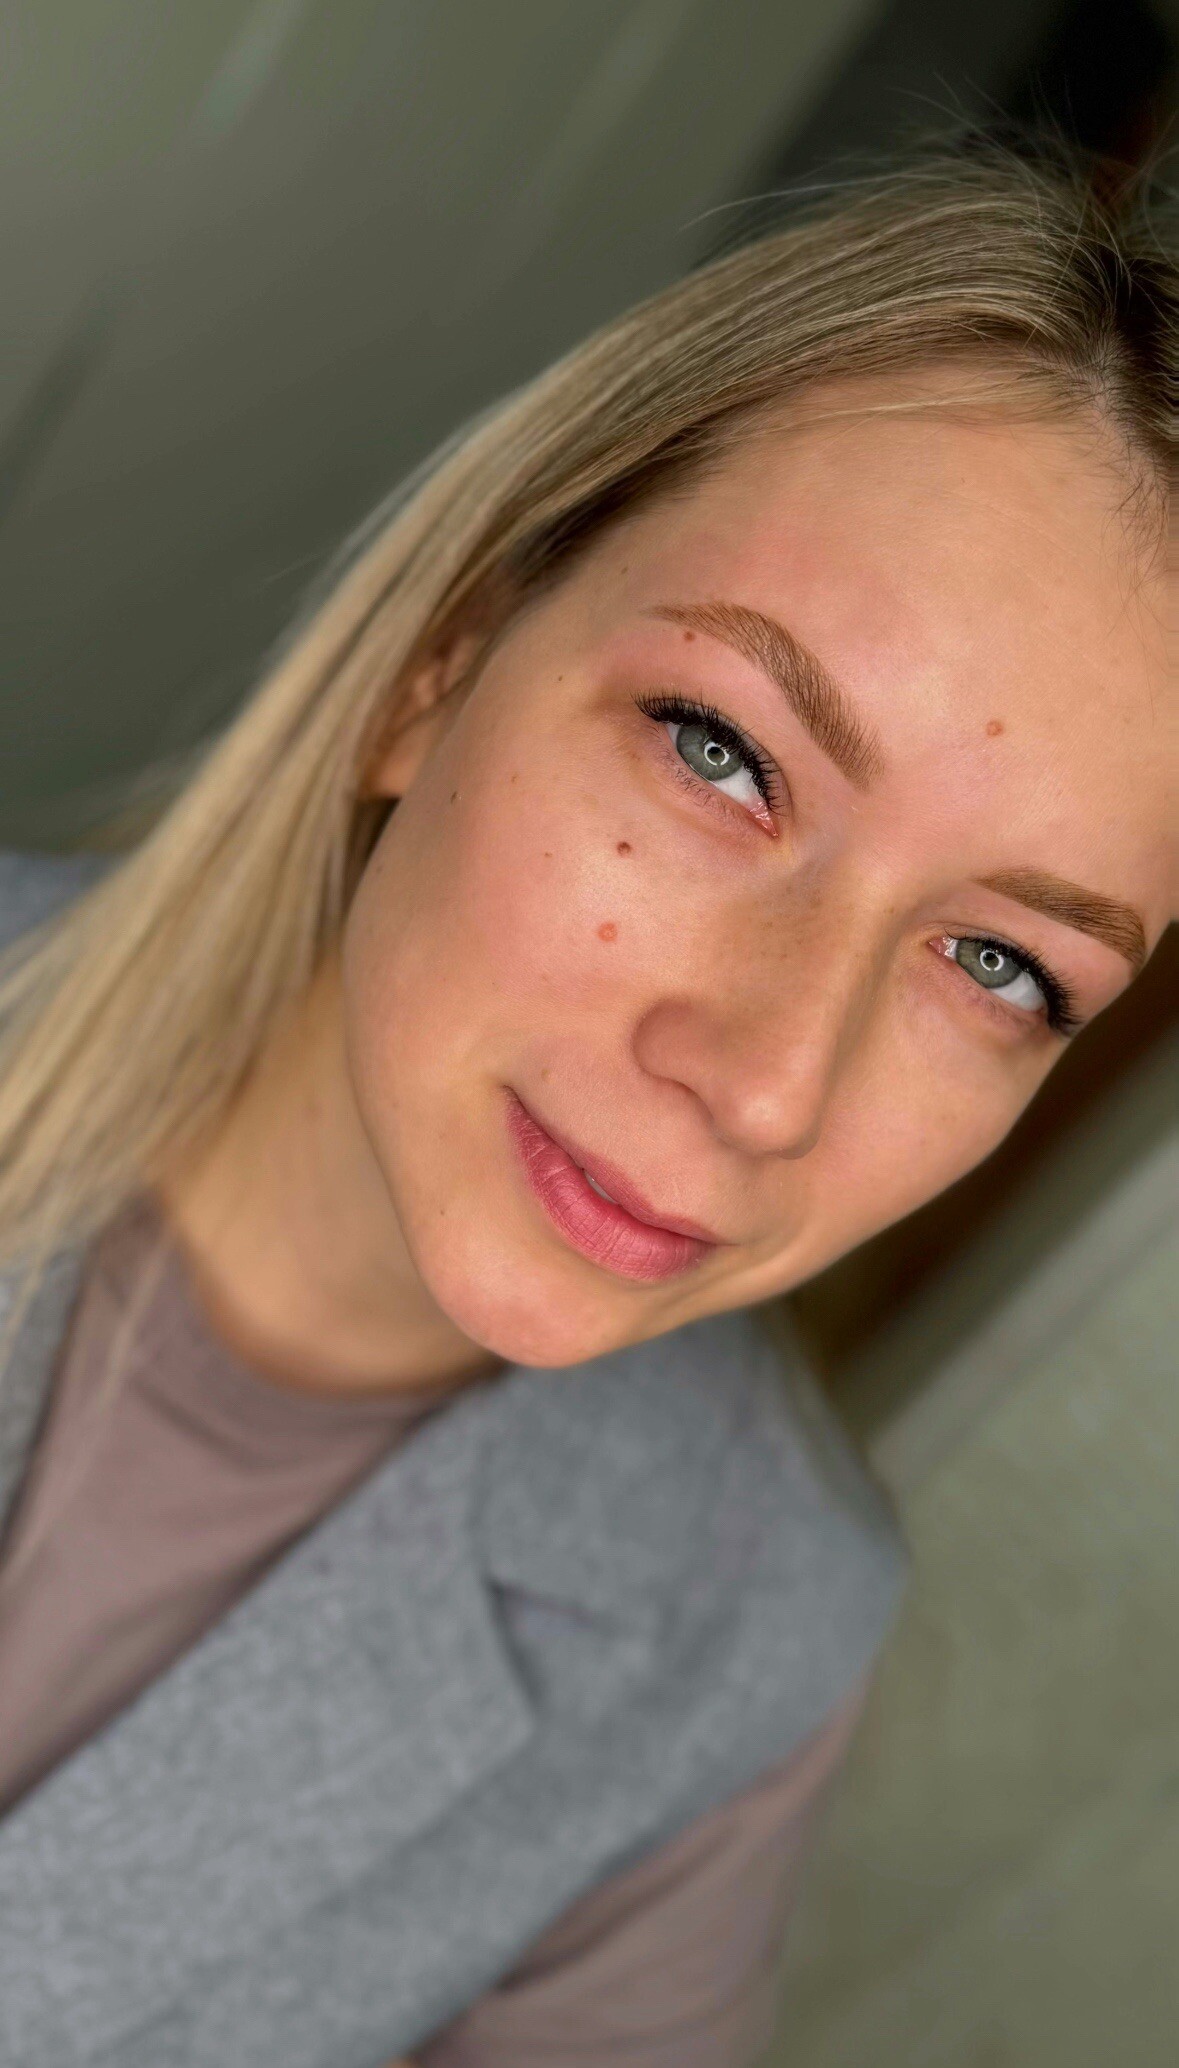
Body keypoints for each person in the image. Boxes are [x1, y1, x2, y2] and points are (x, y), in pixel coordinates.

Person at [0, 138, 1172, 2068]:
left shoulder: (747, 1626)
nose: (770, 1082)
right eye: (723, 752)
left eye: (1001, 965)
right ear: (439, 660)